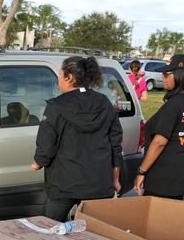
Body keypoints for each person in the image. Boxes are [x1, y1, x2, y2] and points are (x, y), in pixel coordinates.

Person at [31, 56, 123, 222]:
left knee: (54, 228)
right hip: (99, 183)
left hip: (63, 183)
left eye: (60, 75)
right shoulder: (104, 103)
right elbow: (116, 144)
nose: (58, 80)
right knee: (94, 231)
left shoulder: (56, 106)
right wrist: (115, 179)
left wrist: (38, 162)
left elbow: (46, 143)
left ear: (69, 77)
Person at [133, 54, 184, 200]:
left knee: (156, 212)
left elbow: (159, 142)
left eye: (167, 73)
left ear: (181, 76)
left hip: (165, 173)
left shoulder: (174, 104)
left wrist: (142, 171)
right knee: (172, 211)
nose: (163, 77)